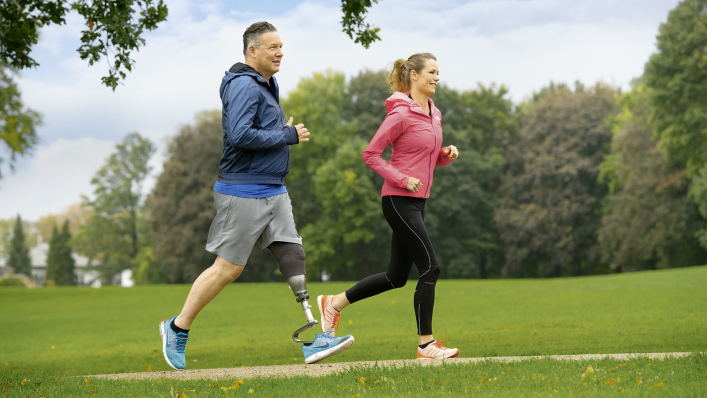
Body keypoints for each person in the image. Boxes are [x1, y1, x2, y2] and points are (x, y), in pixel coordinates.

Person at [159, 21, 353, 370]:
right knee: (228, 269)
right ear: (253, 51)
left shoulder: (267, 84)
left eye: (282, 47)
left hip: (273, 187)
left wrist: (279, 132)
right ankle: (176, 328)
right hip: (242, 188)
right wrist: (286, 135)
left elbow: (260, 131)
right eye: (273, 47)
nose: (280, 52)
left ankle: (316, 337)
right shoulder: (244, 86)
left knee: (292, 253)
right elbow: (239, 136)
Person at [317, 53, 460, 360]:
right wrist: (401, 178)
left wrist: (445, 153)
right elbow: (371, 154)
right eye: (432, 72)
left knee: (396, 277)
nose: (437, 77)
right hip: (397, 200)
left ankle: (334, 303)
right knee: (430, 268)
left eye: (438, 72)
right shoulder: (399, 115)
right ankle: (426, 345)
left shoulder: (434, 113)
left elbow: (426, 156)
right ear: (415, 77)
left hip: (418, 201)